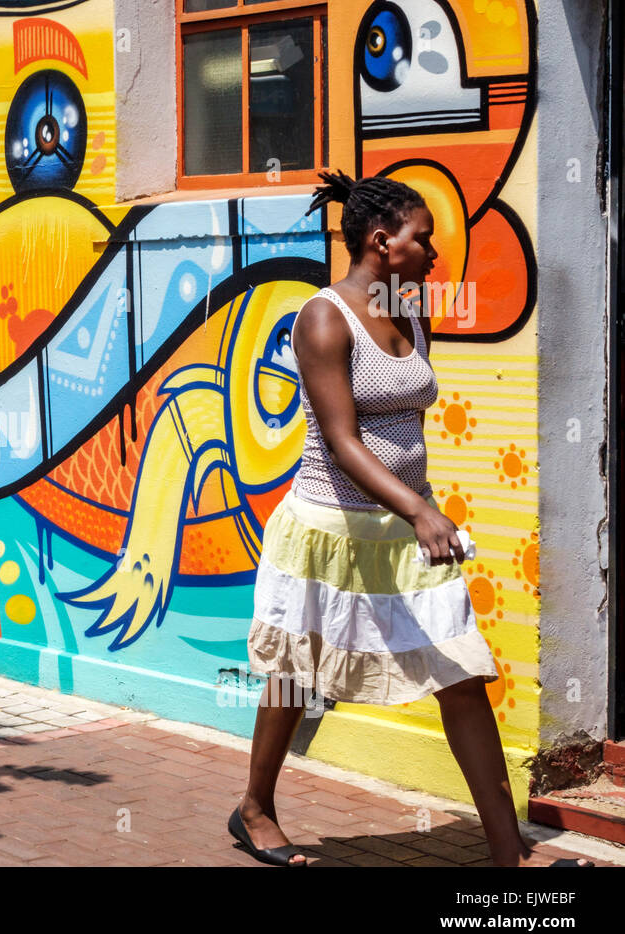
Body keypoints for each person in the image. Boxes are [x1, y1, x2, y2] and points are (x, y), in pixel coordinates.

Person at [228, 171, 593, 868]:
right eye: (423, 238)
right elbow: (342, 440)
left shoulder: (411, 313)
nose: (433, 251)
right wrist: (421, 508)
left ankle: (508, 852)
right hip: (330, 531)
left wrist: (417, 510)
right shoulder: (323, 318)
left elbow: (404, 419)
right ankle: (254, 807)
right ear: (381, 241)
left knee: (462, 673)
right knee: (296, 672)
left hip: (402, 535)